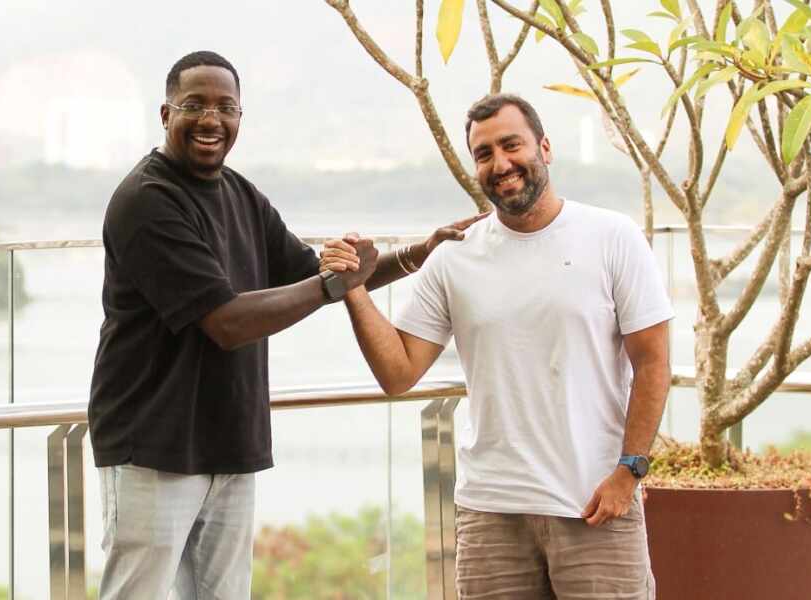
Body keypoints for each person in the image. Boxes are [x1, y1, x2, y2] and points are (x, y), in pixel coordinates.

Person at [87, 50, 484, 599]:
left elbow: (313, 276)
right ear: (165, 113)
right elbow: (226, 322)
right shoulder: (146, 201)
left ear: (240, 117)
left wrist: (420, 252)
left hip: (227, 443)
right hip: (152, 445)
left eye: (226, 108)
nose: (210, 120)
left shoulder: (241, 195)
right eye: (194, 105)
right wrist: (334, 284)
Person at [320, 93, 673, 599]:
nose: (501, 164)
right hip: (490, 513)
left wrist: (630, 470)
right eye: (484, 154)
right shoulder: (454, 257)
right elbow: (398, 373)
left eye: (512, 145)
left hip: (595, 505)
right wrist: (354, 288)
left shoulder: (612, 236)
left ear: (544, 148)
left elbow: (653, 361)